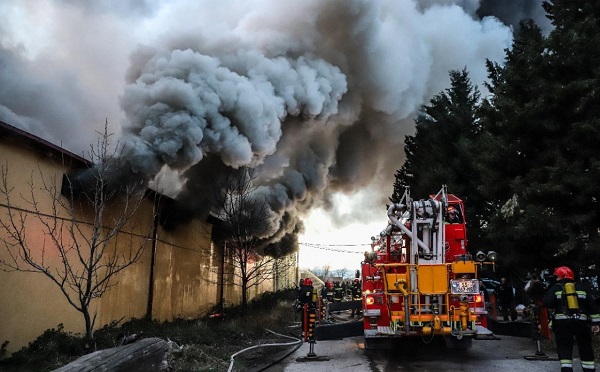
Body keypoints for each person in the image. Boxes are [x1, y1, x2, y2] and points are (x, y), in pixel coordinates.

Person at [544, 266, 600, 372]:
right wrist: (596, 323)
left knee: (564, 348)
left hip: (562, 324)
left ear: (563, 276)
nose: (556, 279)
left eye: (557, 277)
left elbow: (548, 303)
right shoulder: (582, 288)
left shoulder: (556, 288)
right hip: (581, 323)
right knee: (585, 347)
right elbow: (592, 307)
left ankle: (566, 370)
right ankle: (589, 370)